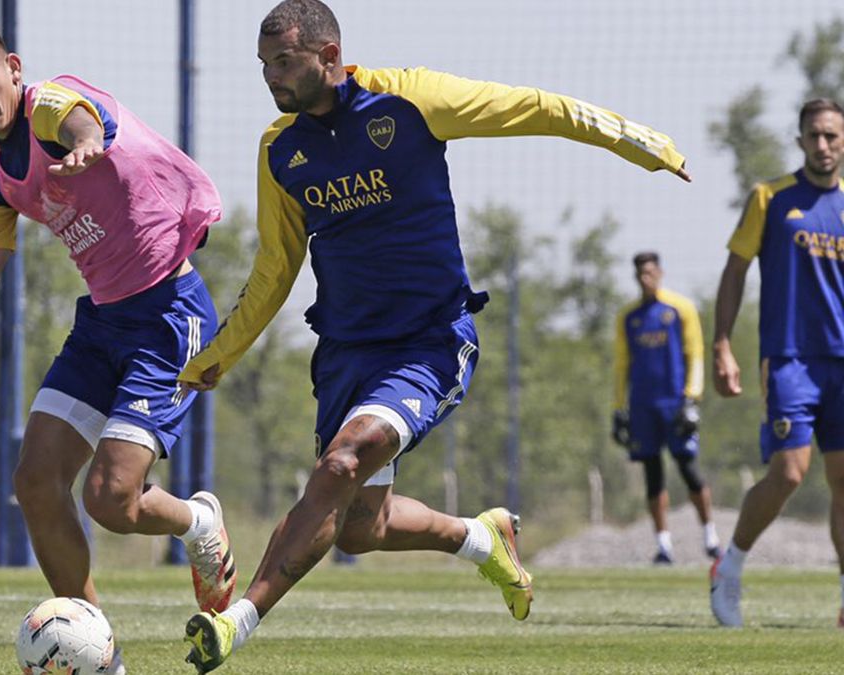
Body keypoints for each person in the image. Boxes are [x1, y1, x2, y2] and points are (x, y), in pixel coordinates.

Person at [178, 1, 690, 670]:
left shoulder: (410, 100)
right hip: (346, 353)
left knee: (339, 464)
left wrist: (640, 141)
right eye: (264, 65)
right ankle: (483, 538)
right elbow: (274, 268)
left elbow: (533, 106)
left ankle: (235, 623)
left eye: (284, 62)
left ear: (329, 56)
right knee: (362, 526)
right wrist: (219, 354)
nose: (271, 77)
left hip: (427, 343)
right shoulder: (281, 149)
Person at [0, 17, 237, 670]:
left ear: (13, 67)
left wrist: (88, 145)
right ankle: (100, 657)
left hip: (170, 316)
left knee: (110, 500)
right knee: (35, 481)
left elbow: (83, 120)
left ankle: (197, 523)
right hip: (101, 325)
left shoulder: (52, 104)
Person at [709, 98, 844, 628]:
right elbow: (736, 269)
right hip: (790, 358)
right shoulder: (770, 198)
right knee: (789, 472)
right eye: (814, 135)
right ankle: (730, 566)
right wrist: (721, 342)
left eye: (832, 135)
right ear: (800, 140)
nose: (823, 145)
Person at [612, 251, 720, 565]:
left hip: (675, 403)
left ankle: (710, 536)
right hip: (643, 406)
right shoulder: (628, 317)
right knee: (652, 473)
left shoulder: (680, 308)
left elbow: (695, 354)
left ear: (659, 272)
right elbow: (622, 365)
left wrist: (692, 398)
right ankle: (663, 546)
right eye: (639, 274)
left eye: (649, 272)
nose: (645, 278)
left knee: (688, 468)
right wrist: (619, 408)